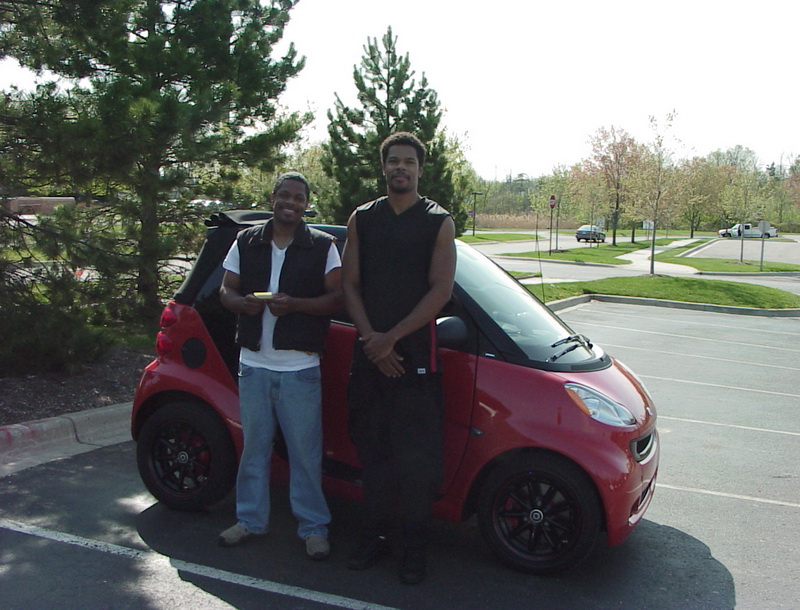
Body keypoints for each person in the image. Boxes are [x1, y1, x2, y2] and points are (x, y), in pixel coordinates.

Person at [341, 132, 456, 584]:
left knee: (415, 466)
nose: (400, 168)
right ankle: (373, 539)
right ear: (384, 166)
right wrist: (372, 340)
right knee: (373, 459)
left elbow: (440, 291)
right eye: (393, 161)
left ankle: (413, 551)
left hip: (415, 362)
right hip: (369, 358)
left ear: (420, 169)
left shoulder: (437, 222)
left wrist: (391, 339)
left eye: (409, 162)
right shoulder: (363, 219)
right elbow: (350, 284)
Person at [217, 171, 342, 560]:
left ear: (306, 204)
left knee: (305, 453)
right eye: (284, 195)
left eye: (299, 198)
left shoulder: (322, 246)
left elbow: (337, 298)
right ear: (273, 197)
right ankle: (250, 520)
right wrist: (241, 304)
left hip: (299, 368)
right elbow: (226, 289)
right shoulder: (246, 241)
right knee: (254, 448)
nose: (291, 203)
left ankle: (313, 527)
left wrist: (297, 305)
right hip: (254, 364)